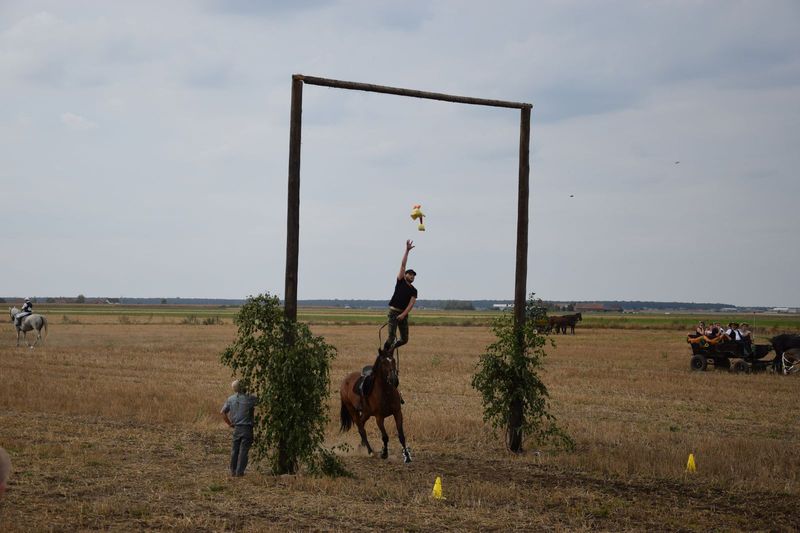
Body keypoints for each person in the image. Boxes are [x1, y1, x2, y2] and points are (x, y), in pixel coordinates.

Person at [383, 240, 418, 354]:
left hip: (403, 314)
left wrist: (403, 315)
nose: (412, 276)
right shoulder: (400, 281)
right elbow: (403, 265)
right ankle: (385, 351)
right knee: (391, 337)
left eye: (413, 276)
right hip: (393, 313)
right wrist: (407, 251)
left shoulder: (414, 290)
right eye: (410, 274)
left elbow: (411, 304)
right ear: (405, 275)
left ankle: (392, 348)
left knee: (404, 339)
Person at [221, 380, 257, 477]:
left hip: (236, 428)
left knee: (235, 450)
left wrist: (230, 424)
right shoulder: (250, 398)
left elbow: (223, 413)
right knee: (243, 451)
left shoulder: (230, 399)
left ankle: (233, 471)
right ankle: (240, 472)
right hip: (247, 428)